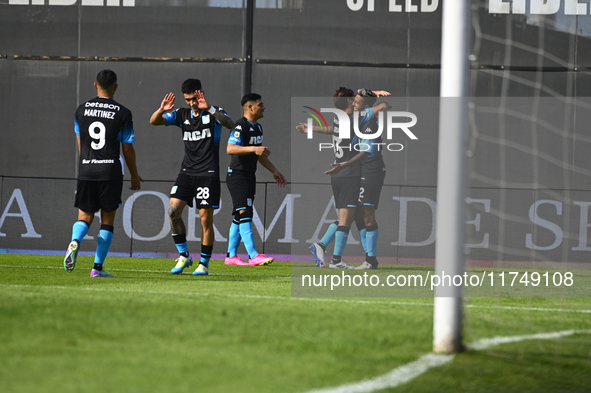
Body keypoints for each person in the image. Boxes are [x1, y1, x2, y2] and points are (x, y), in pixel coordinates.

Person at [149, 79, 234, 276]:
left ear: (201, 94)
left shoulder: (214, 112)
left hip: (208, 174)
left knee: (205, 220)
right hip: (186, 173)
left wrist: (210, 108)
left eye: (194, 99)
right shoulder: (181, 114)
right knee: (172, 211)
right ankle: (184, 255)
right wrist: (161, 110)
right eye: (188, 99)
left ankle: (204, 264)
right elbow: (154, 121)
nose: (191, 103)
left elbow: (230, 124)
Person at [63, 69, 143, 278]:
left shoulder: (81, 110)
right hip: (110, 171)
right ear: (116, 87)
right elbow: (127, 149)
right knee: (107, 220)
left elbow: (81, 144)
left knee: (84, 216)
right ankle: (97, 268)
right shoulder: (123, 113)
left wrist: (88, 164)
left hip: (87, 169)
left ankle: (75, 241)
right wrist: (134, 174)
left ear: (95, 85)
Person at [299, 87, 388, 268]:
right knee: (347, 219)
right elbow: (383, 107)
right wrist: (373, 98)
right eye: (353, 99)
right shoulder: (356, 119)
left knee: (352, 217)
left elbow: (334, 130)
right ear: (349, 101)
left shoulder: (340, 119)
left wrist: (313, 128)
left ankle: (363, 258)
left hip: (340, 173)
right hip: (348, 172)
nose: (355, 101)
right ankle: (333, 255)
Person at [225, 93, 286, 266]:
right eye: (260, 104)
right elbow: (230, 149)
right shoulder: (240, 125)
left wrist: (274, 170)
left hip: (249, 175)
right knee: (246, 213)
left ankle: (231, 256)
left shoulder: (258, 128)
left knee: (239, 215)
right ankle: (253, 255)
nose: (264, 107)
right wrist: (253, 149)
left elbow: (258, 154)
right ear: (250, 107)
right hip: (237, 175)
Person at [352, 89, 386, 270]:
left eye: (356, 102)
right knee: (357, 212)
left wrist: (345, 165)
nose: (352, 103)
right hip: (362, 169)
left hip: (371, 169)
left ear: (365, 107)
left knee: (366, 212)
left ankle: (371, 260)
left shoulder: (369, 123)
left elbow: (367, 153)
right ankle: (369, 258)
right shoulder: (359, 119)